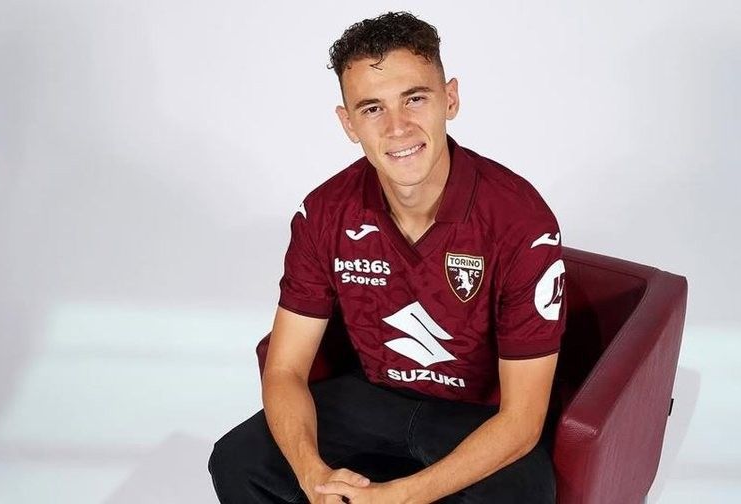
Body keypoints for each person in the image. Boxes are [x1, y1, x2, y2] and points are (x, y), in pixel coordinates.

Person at [209, 11, 567, 504]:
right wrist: (313, 476)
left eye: (415, 99)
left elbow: (522, 421)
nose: (398, 128)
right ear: (348, 123)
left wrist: (401, 496)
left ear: (450, 99)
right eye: (372, 108)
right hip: (369, 400)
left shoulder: (519, 220)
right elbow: (285, 369)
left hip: (477, 417)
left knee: (521, 494)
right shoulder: (324, 212)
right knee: (237, 460)